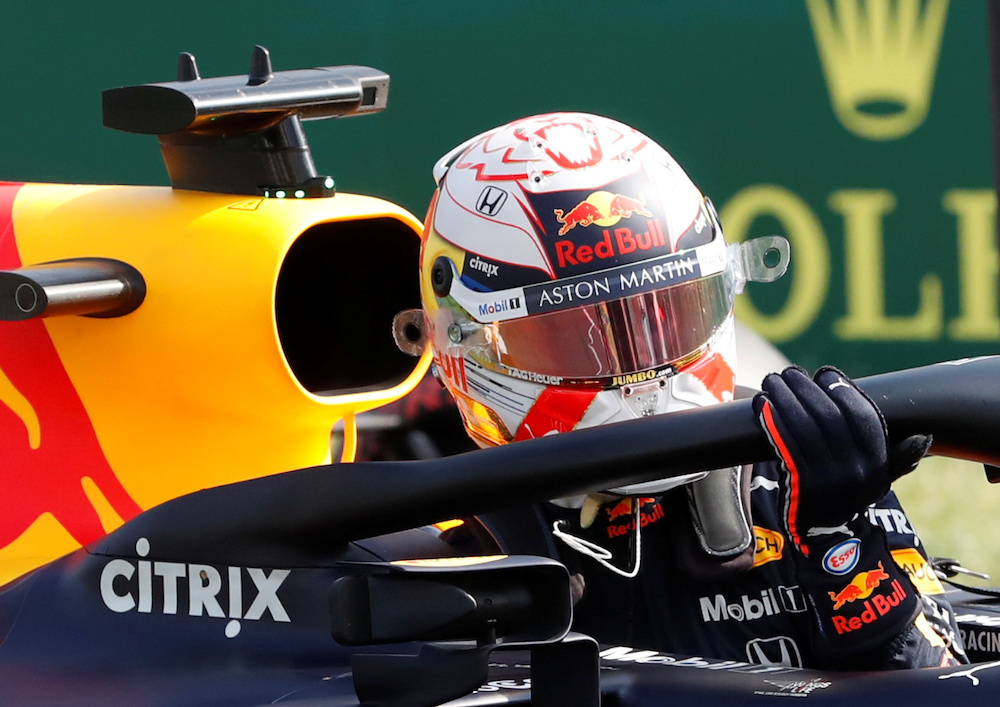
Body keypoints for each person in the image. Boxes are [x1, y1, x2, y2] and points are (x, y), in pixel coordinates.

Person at [392, 112, 965, 670]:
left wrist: (837, 539)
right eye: (574, 338)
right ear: (464, 341)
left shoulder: (802, 474)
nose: (646, 380)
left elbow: (942, 683)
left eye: (664, 318)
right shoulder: (437, 549)